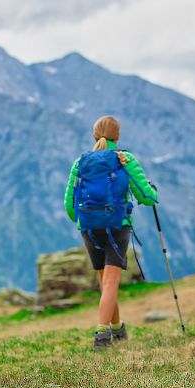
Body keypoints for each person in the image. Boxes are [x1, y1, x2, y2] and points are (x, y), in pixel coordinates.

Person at [64, 115, 158, 350]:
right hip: (117, 225)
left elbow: (69, 203)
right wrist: (153, 193)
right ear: (118, 136)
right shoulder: (125, 159)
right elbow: (145, 196)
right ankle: (102, 335)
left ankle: (117, 328)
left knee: (104, 281)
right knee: (111, 282)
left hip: (88, 227)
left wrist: (82, 220)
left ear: (94, 136)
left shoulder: (80, 162)